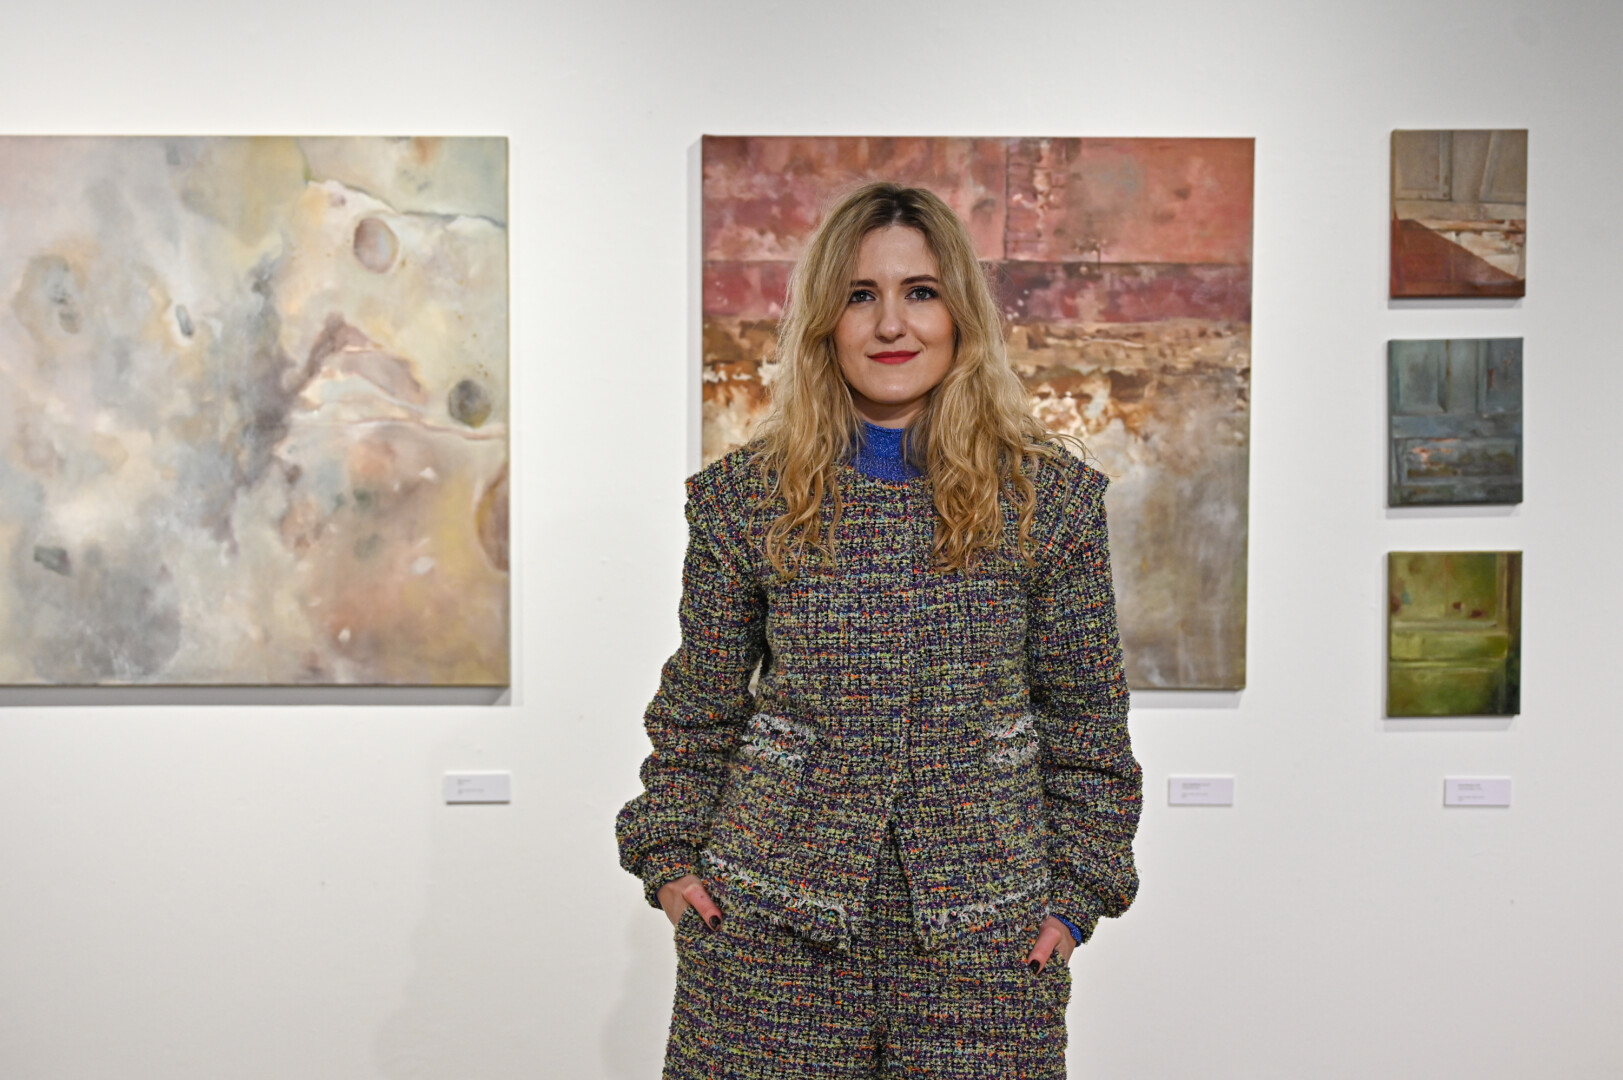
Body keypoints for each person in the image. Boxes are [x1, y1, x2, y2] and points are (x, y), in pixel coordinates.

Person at [616, 181, 1142, 1078]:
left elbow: (1086, 719)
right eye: (860, 295)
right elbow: (697, 709)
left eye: (920, 292)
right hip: (768, 931)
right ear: (824, 320)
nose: (891, 324)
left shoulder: (1047, 502)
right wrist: (670, 862)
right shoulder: (744, 501)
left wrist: (1073, 896)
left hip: (985, 940)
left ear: (960, 313)